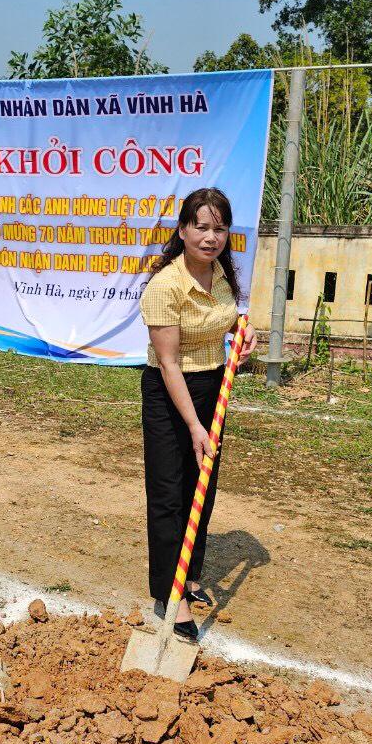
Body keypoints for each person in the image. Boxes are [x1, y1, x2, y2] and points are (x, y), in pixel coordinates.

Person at [139, 188, 256, 640]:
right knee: (170, 494)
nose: (211, 237)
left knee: (201, 490)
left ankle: (188, 573)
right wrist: (193, 426)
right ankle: (169, 595)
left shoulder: (222, 275)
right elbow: (168, 363)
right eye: (201, 227)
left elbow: (228, 321)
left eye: (219, 228)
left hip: (213, 388)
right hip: (171, 396)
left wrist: (246, 336)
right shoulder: (165, 286)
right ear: (183, 230)